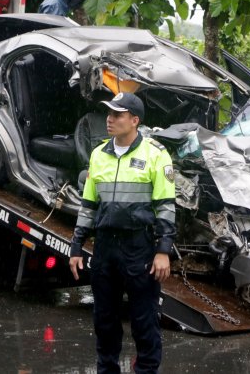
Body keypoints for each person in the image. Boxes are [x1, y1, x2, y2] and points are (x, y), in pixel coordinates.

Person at [68, 91, 175, 374]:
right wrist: (77, 246)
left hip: (138, 246)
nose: (110, 119)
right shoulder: (98, 154)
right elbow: (88, 204)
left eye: (117, 114)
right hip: (105, 247)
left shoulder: (155, 155)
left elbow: (165, 206)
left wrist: (163, 250)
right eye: (109, 113)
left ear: (135, 120)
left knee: (144, 320)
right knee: (104, 319)